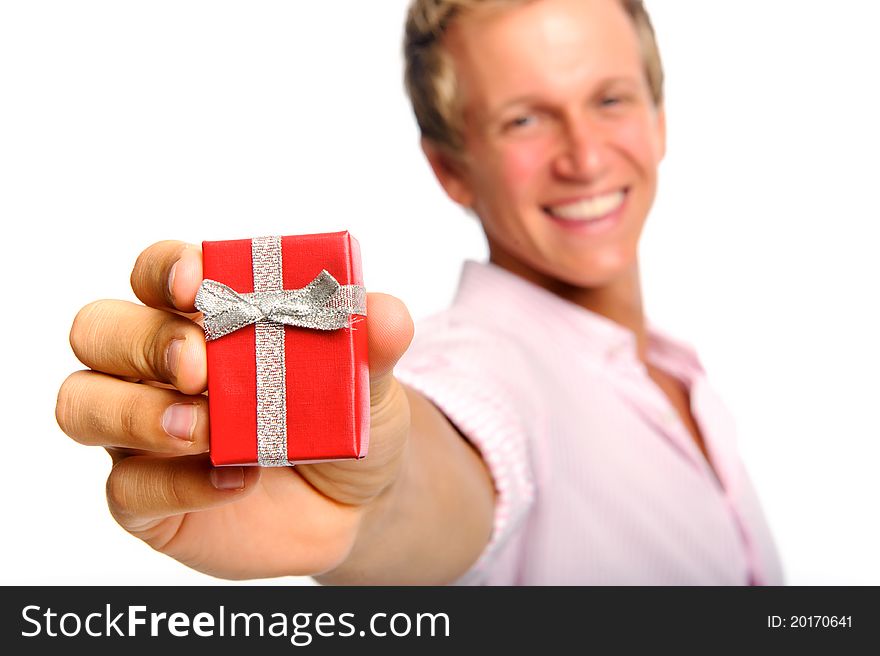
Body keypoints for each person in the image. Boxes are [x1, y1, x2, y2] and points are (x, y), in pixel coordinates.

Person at [55, 0, 783, 585]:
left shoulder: (682, 373)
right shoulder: (480, 364)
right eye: (524, 119)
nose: (585, 157)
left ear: (659, 122)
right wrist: (370, 511)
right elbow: (450, 459)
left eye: (611, 100)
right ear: (450, 169)